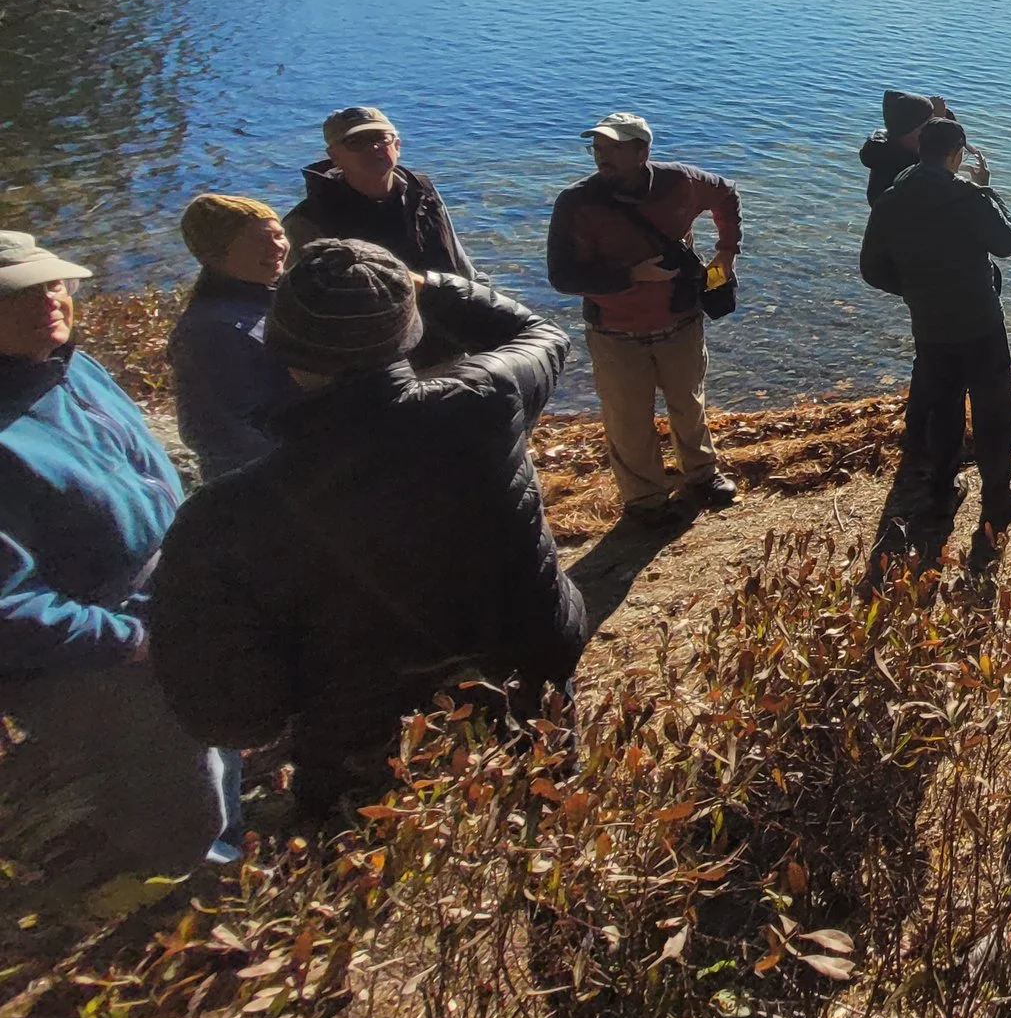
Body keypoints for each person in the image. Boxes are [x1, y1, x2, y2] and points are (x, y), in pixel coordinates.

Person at [150, 241, 587, 821]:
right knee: (545, 829)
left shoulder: (223, 515)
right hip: (527, 674)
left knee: (400, 876)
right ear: (409, 334)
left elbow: (229, 717)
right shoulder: (483, 403)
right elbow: (543, 337)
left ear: (279, 346)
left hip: (361, 742)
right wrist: (431, 284)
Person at [0, 232, 239, 898]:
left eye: (55, 282)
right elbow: (9, 610)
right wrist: (135, 642)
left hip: (167, 599)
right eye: (20, 290)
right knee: (179, 785)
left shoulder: (70, 365)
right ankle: (170, 893)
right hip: (96, 653)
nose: (50, 297)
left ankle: (215, 853)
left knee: (217, 741)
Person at [546, 113, 742, 521]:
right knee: (628, 420)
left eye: (614, 148)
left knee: (689, 404)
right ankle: (645, 501)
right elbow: (561, 276)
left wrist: (727, 251)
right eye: (598, 148)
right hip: (615, 330)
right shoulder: (576, 203)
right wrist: (632, 275)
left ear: (642, 151)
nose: (603, 156)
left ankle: (703, 475)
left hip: (682, 318)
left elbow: (726, 194)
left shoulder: (679, 182)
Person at [859, 117, 1011, 566]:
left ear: (922, 150)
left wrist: (916, 288)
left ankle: (942, 493)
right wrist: (989, 189)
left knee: (943, 408)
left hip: (931, 325)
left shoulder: (891, 200)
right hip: (979, 321)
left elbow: (872, 270)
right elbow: (1009, 243)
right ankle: (997, 498)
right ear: (957, 153)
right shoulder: (968, 197)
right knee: (994, 411)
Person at [167, 194, 298, 481]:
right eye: (260, 241)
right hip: (268, 484)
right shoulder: (209, 333)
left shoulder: (273, 296)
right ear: (217, 255)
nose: (277, 247)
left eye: (279, 235)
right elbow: (219, 435)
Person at [284, 105, 476, 277]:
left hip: (448, 304)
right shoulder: (309, 220)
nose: (373, 147)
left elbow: (460, 262)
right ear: (334, 156)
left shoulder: (421, 190)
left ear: (397, 146)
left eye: (380, 138)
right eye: (356, 142)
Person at [860, 90, 952, 208]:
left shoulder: (889, 149)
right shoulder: (901, 170)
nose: (932, 129)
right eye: (929, 123)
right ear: (910, 132)